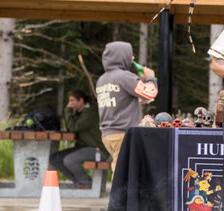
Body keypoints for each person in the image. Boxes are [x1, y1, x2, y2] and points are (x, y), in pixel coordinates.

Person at [95, 41, 158, 171]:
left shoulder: (102, 79)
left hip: (107, 134)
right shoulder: (124, 77)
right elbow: (150, 93)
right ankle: (119, 192)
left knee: (120, 167)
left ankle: (122, 191)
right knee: (122, 172)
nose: (132, 58)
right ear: (121, 57)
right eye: (130, 55)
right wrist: (150, 78)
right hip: (123, 133)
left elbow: (126, 100)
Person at [48, 90, 104, 186]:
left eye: (72, 100)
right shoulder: (80, 113)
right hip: (83, 148)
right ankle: (79, 182)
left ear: (81, 100)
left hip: (97, 149)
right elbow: (71, 127)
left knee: (69, 160)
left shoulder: (89, 113)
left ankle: (86, 182)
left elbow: (73, 129)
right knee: (55, 159)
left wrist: (67, 111)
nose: (70, 104)